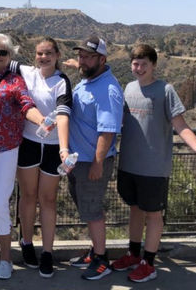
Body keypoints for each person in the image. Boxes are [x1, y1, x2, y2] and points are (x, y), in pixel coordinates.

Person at [0, 26, 72, 278]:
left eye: (2, 53)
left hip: (8, 150)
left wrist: (42, 121)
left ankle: (12, 259)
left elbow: (26, 106)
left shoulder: (19, 80)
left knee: (0, 204)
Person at [109, 44, 196, 283]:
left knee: (153, 215)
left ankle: (148, 264)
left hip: (154, 168)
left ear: (153, 65)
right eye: (135, 63)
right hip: (128, 164)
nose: (138, 68)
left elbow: (180, 126)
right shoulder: (128, 88)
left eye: (143, 64)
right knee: (134, 209)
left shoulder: (166, 90)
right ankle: (132, 254)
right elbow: (116, 121)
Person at [62, 35, 123, 281]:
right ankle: (94, 252)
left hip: (92, 162)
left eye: (88, 57)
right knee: (86, 207)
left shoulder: (108, 89)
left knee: (92, 210)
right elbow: (85, 70)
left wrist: (97, 164)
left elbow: (107, 130)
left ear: (102, 59)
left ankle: (101, 260)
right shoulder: (89, 79)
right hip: (79, 161)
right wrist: (77, 65)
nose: (82, 61)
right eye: (81, 56)